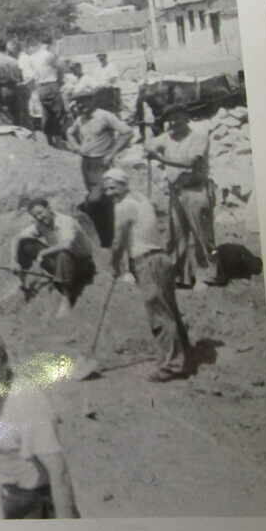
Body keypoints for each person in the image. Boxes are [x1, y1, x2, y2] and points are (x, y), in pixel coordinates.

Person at [0, 327, 80, 519]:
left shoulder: (27, 399)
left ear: (4, 359)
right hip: (16, 504)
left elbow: (59, 473)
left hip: (41, 509)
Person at [103, 167, 191, 382]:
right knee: (169, 311)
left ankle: (172, 365)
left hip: (148, 262)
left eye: (113, 187)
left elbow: (118, 241)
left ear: (124, 185)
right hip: (161, 260)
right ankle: (183, 354)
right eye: (107, 189)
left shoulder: (124, 206)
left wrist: (114, 264)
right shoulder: (140, 197)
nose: (110, 193)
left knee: (159, 315)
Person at [146, 106, 215, 287]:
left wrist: (159, 159)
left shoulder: (198, 137)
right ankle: (181, 276)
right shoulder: (168, 136)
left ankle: (207, 275)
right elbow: (149, 145)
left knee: (202, 236)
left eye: (177, 117)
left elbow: (190, 163)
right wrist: (149, 145)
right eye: (170, 119)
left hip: (196, 191)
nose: (173, 122)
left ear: (186, 118)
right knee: (177, 236)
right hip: (176, 192)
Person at [66, 87, 134, 248]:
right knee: (100, 200)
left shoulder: (104, 116)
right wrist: (76, 147)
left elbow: (127, 132)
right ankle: (105, 239)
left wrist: (111, 153)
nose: (82, 105)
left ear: (92, 101)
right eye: (79, 102)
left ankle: (112, 237)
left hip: (101, 164)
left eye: (85, 101)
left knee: (97, 199)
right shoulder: (80, 119)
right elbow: (69, 132)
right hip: (86, 164)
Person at [10, 199, 96, 316]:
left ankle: (67, 297)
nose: (39, 217)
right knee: (26, 243)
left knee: (63, 252)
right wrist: (14, 261)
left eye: (40, 213)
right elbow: (17, 238)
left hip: (82, 264)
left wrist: (43, 253)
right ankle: (22, 283)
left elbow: (66, 244)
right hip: (62, 262)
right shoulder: (40, 225)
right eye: (35, 216)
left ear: (49, 208)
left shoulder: (65, 221)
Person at [29, 37, 67, 147]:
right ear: (50, 44)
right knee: (58, 113)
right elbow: (61, 68)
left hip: (40, 87)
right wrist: (59, 82)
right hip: (51, 85)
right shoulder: (49, 55)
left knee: (46, 114)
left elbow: (34, 74)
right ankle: (59, 143)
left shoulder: (33, 57)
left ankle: (50, 143)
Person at [0, 41, 24, 125]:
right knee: (16, 114)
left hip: (1, 90)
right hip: (14, 88)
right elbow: (20, 76)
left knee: (4, 115)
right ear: (5, 48)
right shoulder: (14, 61)